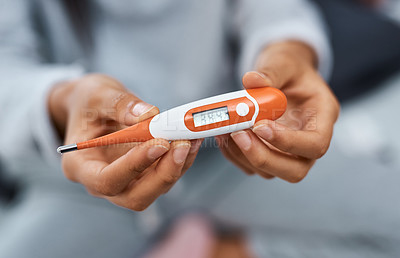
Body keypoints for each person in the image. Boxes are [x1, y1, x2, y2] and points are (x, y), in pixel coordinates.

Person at [0, 0, 339, 257]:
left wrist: (288, 49)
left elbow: (271, 9)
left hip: (224, 157)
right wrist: (62, 101)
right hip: (75, 179)